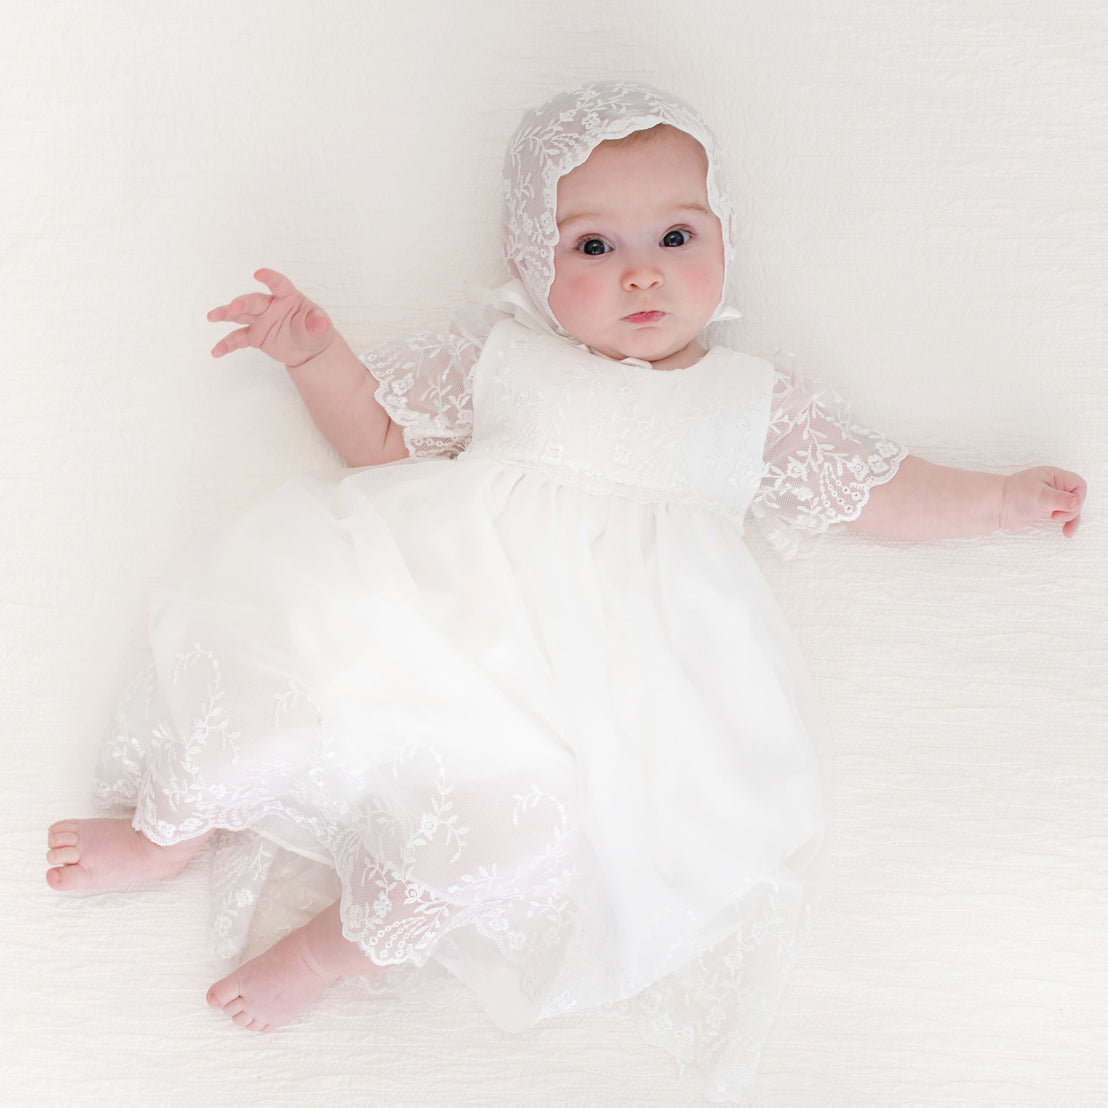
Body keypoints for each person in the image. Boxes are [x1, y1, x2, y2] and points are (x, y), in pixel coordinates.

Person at [45, 82, 1085, 1102]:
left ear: (726, 242)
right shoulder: (503, 360)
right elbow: (380, 442)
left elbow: (877, 489)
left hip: (586, 702)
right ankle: (163, 831)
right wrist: (317, 355)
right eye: (594, 247)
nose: (641, 274)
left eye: (676, 237)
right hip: (423, 615)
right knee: (267, 696)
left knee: (506, 839)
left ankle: (326, 956)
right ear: (528, 265)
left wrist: (995, 498)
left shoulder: (748, 405)